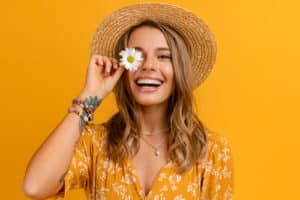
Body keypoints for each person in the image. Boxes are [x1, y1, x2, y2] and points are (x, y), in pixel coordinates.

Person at [23, 2, 233, 200]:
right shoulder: (95, 144)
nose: (148, 66)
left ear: (180, 71)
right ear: (122, 67)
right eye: (137, 57)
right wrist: (89, 96)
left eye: (163, 56)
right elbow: (35, 187)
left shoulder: (212, 150)